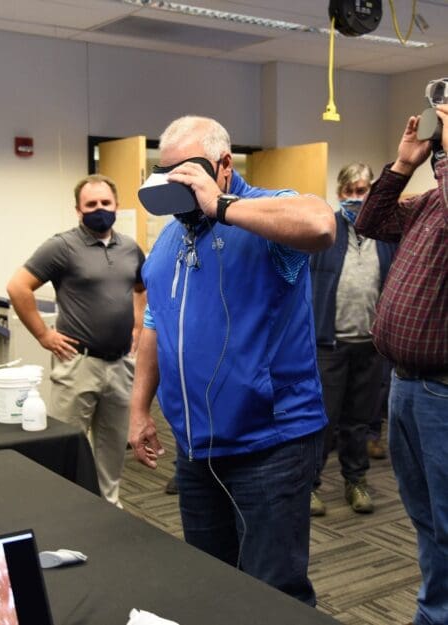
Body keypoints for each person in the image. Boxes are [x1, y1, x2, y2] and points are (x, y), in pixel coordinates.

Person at [129, 115, 336, 605]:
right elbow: (156, 323)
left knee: (272, 594)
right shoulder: (172, 238)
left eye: (187, 174)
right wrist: (140, 409)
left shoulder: (264, 214)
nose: (175, 187)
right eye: (166, 174)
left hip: (269, 444)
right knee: (211, 584)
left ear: (223, 166)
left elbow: (320, 225)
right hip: (197, 450)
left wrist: (222, 206)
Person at [355, 108, 448, 625]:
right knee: (426, 520)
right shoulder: (432, 200)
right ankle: (435, 612)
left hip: (442, 393)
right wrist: (402, 165)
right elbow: (371, 222)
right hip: (406, 386)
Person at [7, 174, 146, 507]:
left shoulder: (129, 247)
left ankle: (108, 508)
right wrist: (44, 334)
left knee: (112, 449)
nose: (100, 209)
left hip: (120, 364)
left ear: (116, 205)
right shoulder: (62, 246)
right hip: (78, 364)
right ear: (78, 210)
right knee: (65, 442)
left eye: (105, 203)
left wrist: (138, 325)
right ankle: (63, 509)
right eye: (92, 205)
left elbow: (141, 288)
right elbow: (17, 287)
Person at [309, 163, 396, 516]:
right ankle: (310, 486)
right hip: (329, 343)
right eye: (351, 191)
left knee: (360, 421)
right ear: (340, 192)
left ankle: (355, 481)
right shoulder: (323, 231)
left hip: (371, 345)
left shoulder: (386, 234)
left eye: (363, 191)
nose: (357, 198)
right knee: (324, 421)